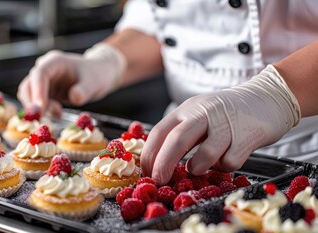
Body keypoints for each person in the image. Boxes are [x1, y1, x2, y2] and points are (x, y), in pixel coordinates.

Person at [17, 0, 318, 184]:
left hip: (308, 148)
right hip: (181, 151)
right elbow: (168, 22)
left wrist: (277, 95)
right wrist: (107, 61)